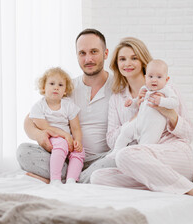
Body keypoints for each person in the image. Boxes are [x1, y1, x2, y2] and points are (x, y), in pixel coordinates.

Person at [90, 37, 193, 213]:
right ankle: (167, 185)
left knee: (123, 156)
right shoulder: (117, 98)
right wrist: (135, 116)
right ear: (116, 64)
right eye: (122, 59)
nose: (127, 63)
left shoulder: (167, 88)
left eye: (134, 58)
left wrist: (170, 114)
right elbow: (112, 141)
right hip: (141, 160)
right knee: (98, 177)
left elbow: (189, 134)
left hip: (173, 153)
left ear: (143, 61)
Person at [16, 29, 114, 183]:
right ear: (76, 56)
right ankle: (74, 178)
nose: (88, 58)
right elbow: (30, 120)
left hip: (100, 160)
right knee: (23, 152)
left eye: (94, 51)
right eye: (82, 53)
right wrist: (39, 135)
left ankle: (64, 179)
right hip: (65, 157)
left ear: (105, 53)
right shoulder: (66, 87)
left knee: (120, 157)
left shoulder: (118, 87)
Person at [106, 59, 178, 159]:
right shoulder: (144, 89)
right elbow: (138, 103)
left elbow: (174, 102)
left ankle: (138, 160)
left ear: (166, 79)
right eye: (150, 76)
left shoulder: (166, 90)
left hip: (153, 126)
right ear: (145, 77)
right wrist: (131, 103)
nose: (154, 80)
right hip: (139, 121)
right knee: (125, 131)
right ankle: (116, 151)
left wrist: (161, 101)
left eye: (159, 77)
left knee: (145, 146)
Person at [29, 67, 84, 184]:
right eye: (52, 84)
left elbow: (75, 128)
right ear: (44, 87)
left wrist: (77, 141)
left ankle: (71, 179)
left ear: (65, 90)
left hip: (67, 139)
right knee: (61, 143)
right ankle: (55, 179)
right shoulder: (39, 106)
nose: (56, 87)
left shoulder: (68, 105)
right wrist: (65, 136)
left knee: (80, 151)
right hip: (51, 138)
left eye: (60, 85)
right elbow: (45, 127)